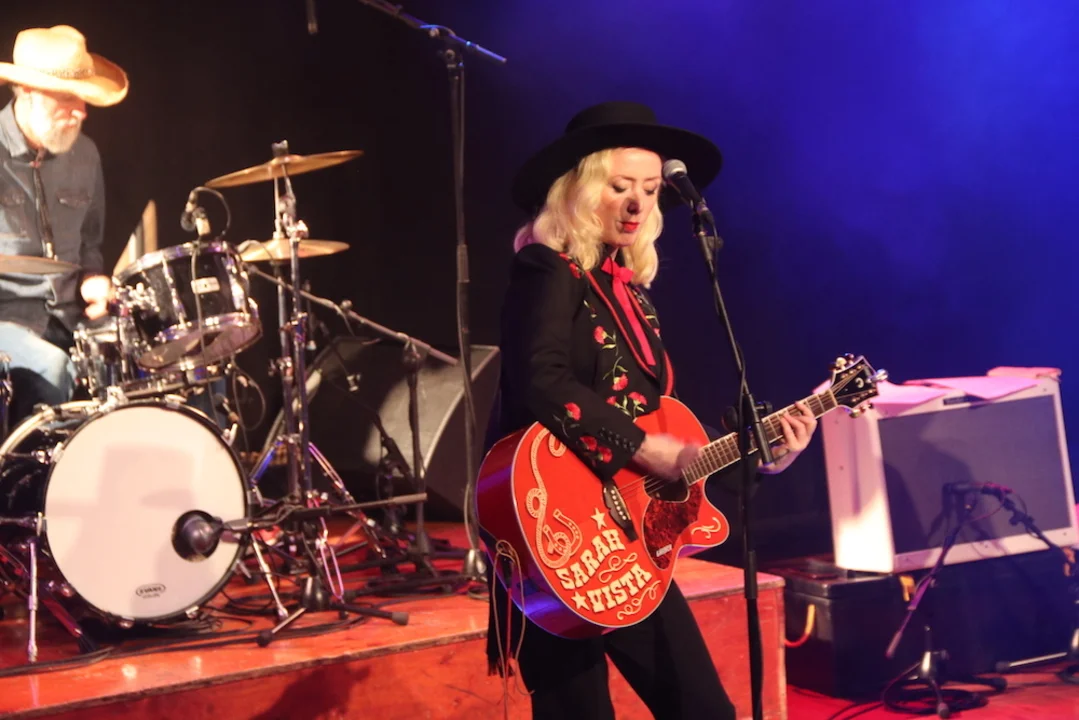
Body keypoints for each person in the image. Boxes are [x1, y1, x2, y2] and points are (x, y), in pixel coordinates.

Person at [486, 101, 819, 719]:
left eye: (649, 189)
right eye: (619, 187)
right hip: (556, 524)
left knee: (702, 709)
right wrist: (642, 448)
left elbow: (665, 437)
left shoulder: (632, 294)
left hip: (630, 540)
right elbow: (541, 380)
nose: (637, 203)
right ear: (580, 191)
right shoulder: (546, 269)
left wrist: (764, 455)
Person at [0, 25, 126, 424]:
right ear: (28, 91)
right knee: (52, 369)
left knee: (158, 356)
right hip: (7, 319)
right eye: (68, 97)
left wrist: (93, 279)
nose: (82, 111)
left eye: (84, 99)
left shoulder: (85, 154)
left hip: (72, 319)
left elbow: (90, 243)